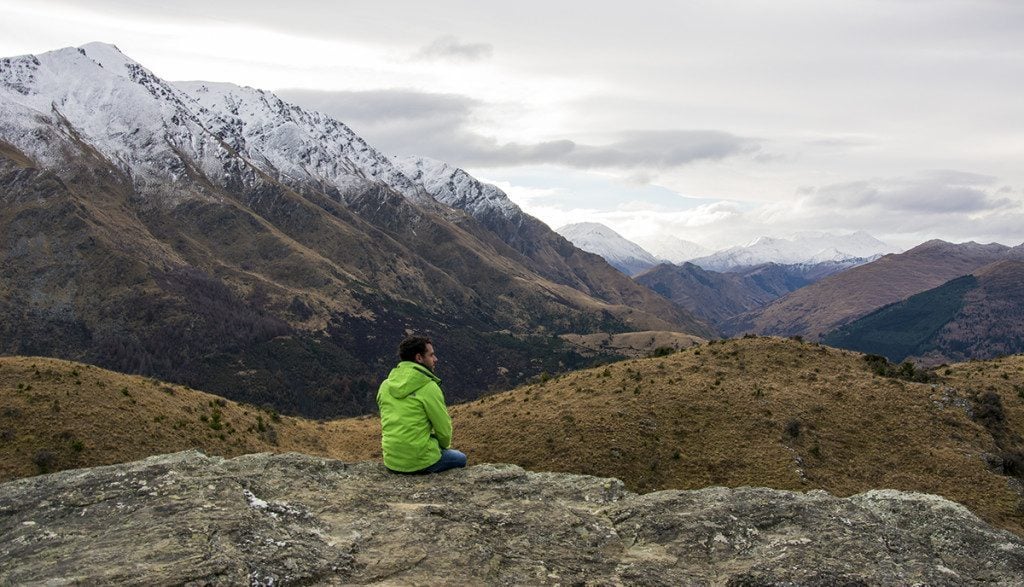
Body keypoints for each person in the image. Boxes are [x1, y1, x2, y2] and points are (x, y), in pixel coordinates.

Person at [376, 335, 467, 474]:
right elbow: (443, 430)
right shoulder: (429, 387)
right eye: (431, 355)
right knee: (460, 458)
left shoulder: (385, 385)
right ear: (419, 358)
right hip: (420, 461)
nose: (435, 359)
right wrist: (442, 447)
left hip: (391, 461)